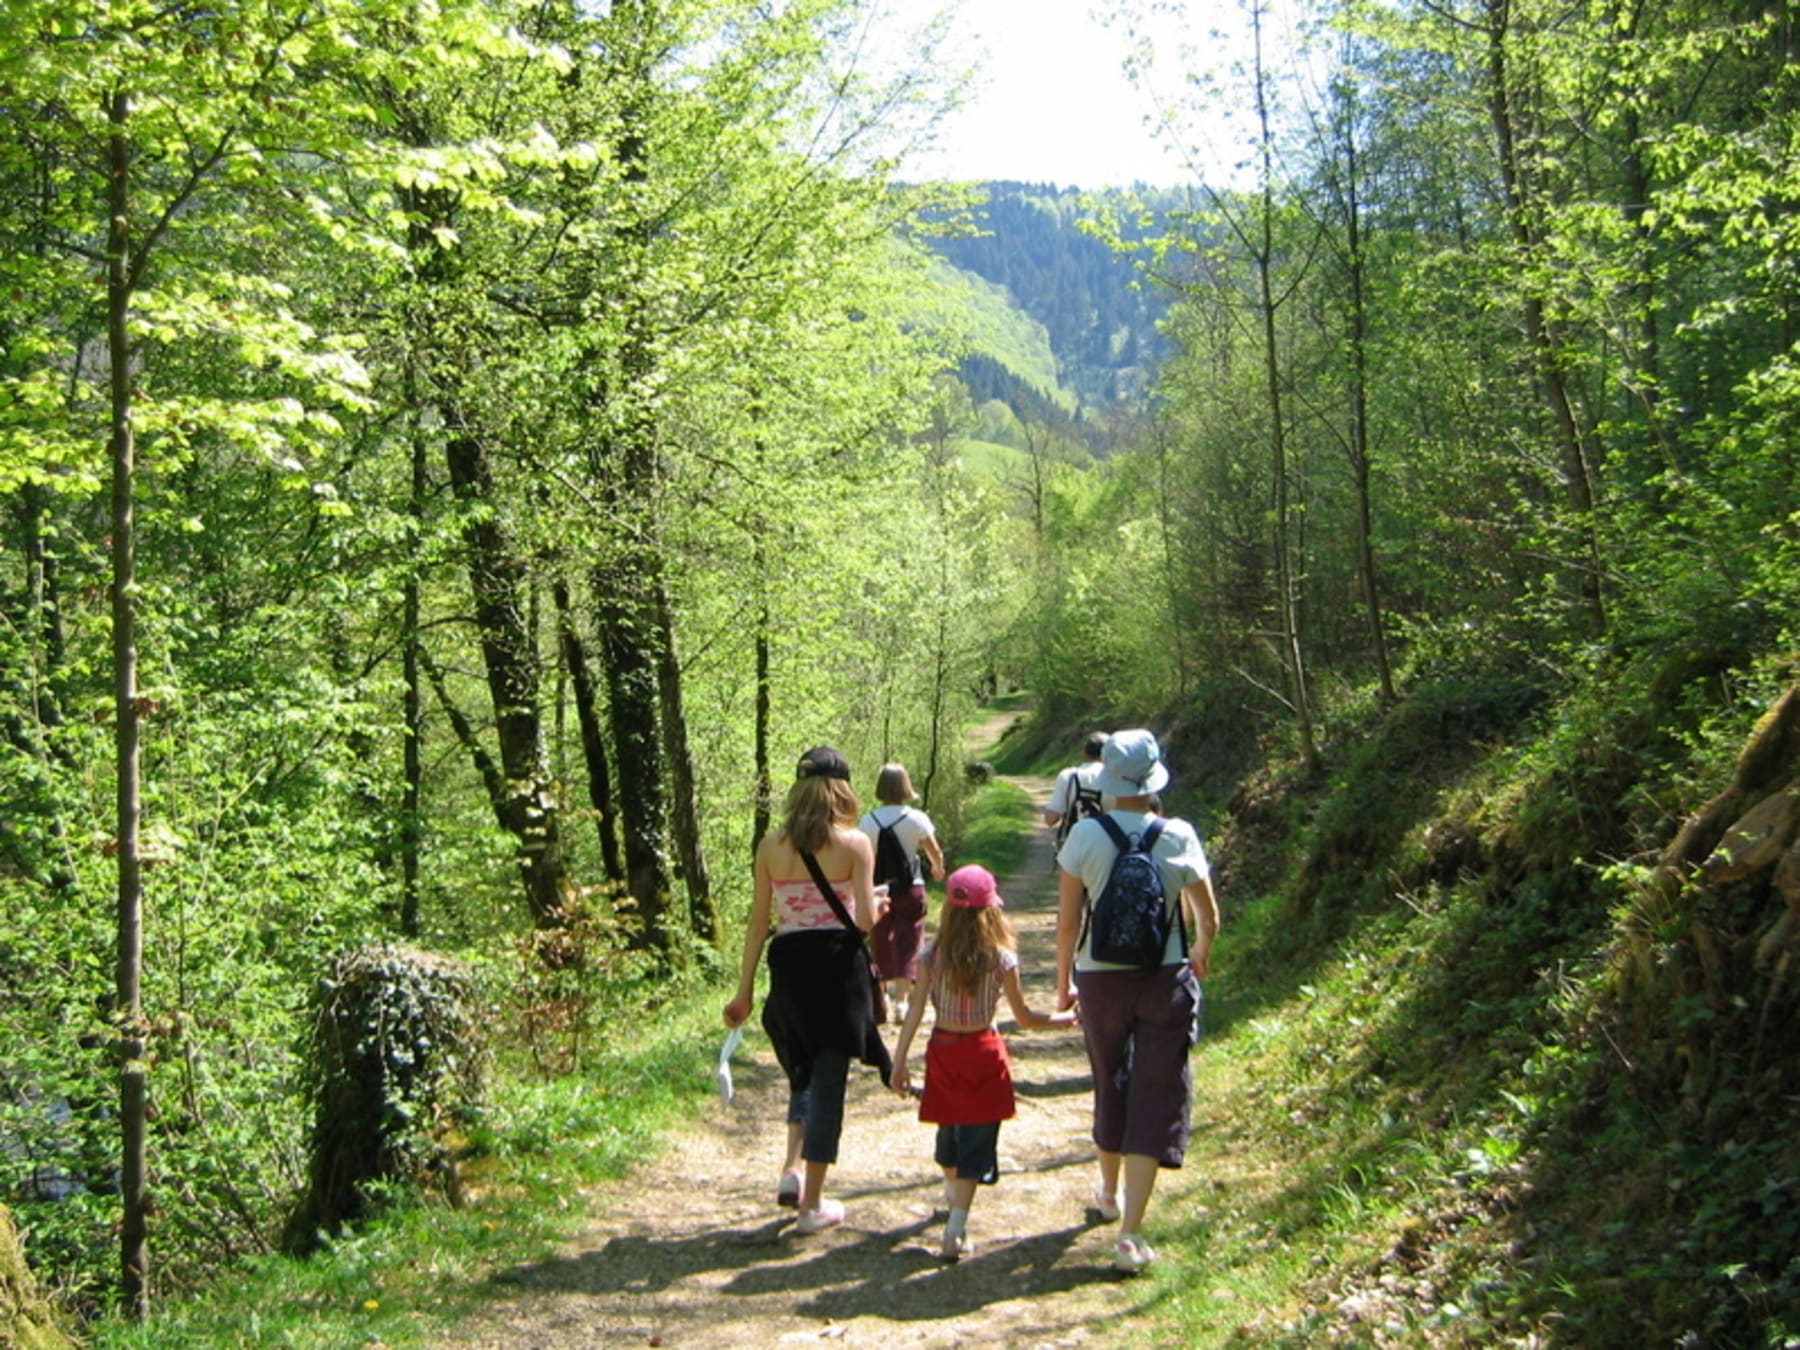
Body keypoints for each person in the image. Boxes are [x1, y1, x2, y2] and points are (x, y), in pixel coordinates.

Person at [1054, 728, 1219, 1274]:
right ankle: (1130, 1233)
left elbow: (1069, 923)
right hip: (1163, 976)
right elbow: (1208, 917)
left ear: (1107, 780)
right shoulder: (1178, 834)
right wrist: (1197, 951)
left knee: (1110, 1079)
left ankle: (1107, 1190)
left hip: (1099, 979)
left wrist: (1062, 983)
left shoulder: (1084, 836)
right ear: (1152, 782)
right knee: (1154, 1092)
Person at [724, 746, 892, 1235]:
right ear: (842, 790)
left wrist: (743, 992)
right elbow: (862, 920)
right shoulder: (856, 843)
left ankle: (792, 1169)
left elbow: (759, 924)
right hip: (838, 971)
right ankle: (811, 1204)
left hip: (790, 968)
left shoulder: (770, 846)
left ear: (798, 789)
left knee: (801, 1072)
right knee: (829, 1082)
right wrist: (878, 906)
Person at [889, 864, 1076, 1261]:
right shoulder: (1002, 958)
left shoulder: (931, 955)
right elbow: (1024, 1018)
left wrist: (899, 1061)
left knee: (949, 1130)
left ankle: (954, 1202)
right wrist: (1062, 1019)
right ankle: (956, 1226)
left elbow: (916, 1010)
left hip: (942, 1049)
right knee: (976, 1137)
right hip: (983, 1050)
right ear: (991, 911)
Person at [859, 763, 947, 1022]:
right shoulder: (916, 818)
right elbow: (934, 852)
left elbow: (863, 857)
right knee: (910, 939)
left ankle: (882, 997)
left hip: (879, 890)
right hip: (911, 886)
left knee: (881, 939)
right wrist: (938, 869)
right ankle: (902, 1002)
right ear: (906, 786)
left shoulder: (868, 820)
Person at [1044, 731, 1109, 851]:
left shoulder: (1067, 776)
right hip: (1103, 850)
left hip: (1071, 848)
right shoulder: (1113, 779)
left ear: (1084, 753)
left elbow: (1050, 819)